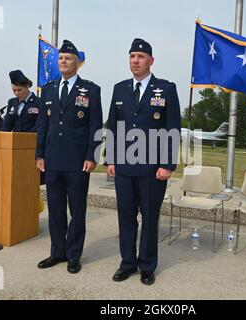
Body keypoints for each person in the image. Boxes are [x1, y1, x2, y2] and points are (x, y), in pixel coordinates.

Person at [106, 38, 181, 285]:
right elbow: (113, 128)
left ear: (151, 60)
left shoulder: (166, 89)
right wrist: (111, 159)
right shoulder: (120, 89)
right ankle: (127, 263)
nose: (135, 60)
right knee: (126, 217)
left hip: (153, 169)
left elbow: (173, 128)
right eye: (132, 56)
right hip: (125, 167)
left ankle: (147, 265)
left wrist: (168, 164)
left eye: (140, 56)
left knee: (149, 218)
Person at [36, 40, 103, 274]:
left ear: (77, 63)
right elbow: (42, 125)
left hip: (77, 162)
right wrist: (39, 154)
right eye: (61, 57)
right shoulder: (48, 89)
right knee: (55, 208)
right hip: (53, 160)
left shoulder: (91, 90)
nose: (63, 61)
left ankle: (74, 255)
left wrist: (92, 156)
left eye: (68, 58)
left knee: (77, 210)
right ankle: (57, 252)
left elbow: (95, 126)